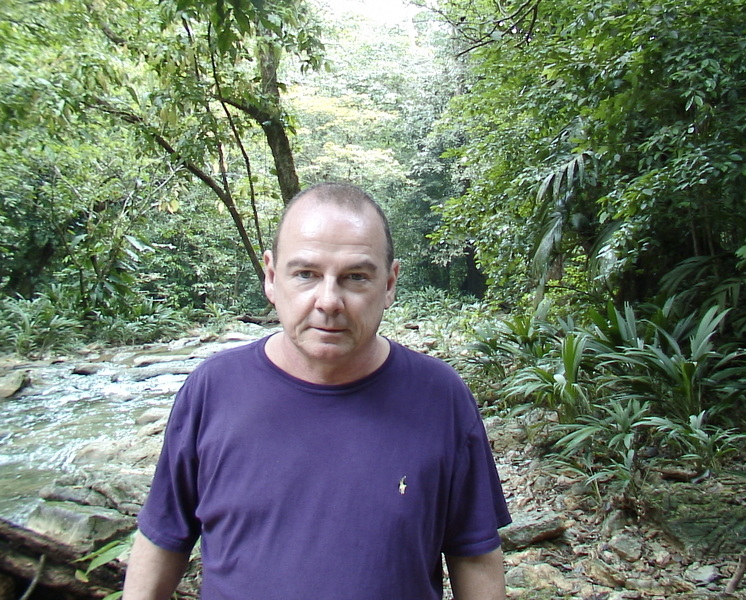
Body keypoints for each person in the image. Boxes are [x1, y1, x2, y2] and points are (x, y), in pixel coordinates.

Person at [122, 182, 511, 600]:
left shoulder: (440, 397)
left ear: (389, 284)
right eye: (306, 274)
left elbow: (474, 556)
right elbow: (163, 537)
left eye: (355, 277)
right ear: (272, 277)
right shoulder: (213, 389)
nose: (328, 301)